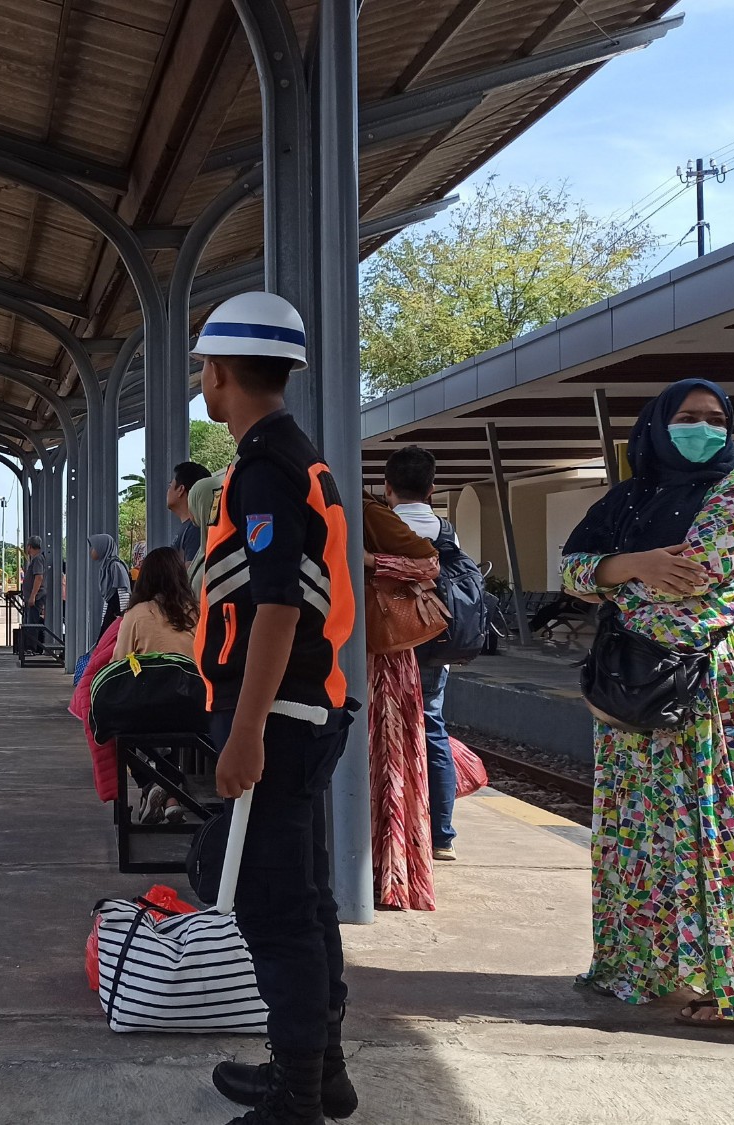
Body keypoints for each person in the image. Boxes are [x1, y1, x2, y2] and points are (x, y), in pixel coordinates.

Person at [560, 378, 734, 1029]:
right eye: (688, 416)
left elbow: (698, 582)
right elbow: (570, 567)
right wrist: (635, 565)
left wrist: (615, 575)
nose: (704, 427)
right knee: (642, 835)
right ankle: (650, 963)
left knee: (720, 827)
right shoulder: (631, 496)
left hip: (710, 692)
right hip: (632, 693)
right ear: (658, 423)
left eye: (716, 418)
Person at [194, 292, 359, 1125]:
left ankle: (296, 1095)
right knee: (306, 894)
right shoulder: (295, 455)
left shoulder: (265, 466)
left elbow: (277, 606)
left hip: (280, 717)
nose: (201, 384)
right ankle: (319, 1070)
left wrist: (246, 731)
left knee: (274, 904)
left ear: (220, 372)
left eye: (202, 370)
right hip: (306, 710)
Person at [362, 484, 439, 910]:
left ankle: (391, 876)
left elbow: (429, 563)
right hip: (354, 654)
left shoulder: (368, 512)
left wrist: (372, 562)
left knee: (388, 759)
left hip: (382, 658)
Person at [382, 445, 459, 862]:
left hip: (392, 644)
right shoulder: (446, 531)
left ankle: (398, 826)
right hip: (435, 644)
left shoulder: (382, 528)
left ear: (387, 487)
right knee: (433, 731)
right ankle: (442, 834)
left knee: (390, 737)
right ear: (431, 489)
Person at [113, 546, 199, 823]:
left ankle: (151, 786)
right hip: (197, 712)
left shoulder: (137, 615)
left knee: (118, 731)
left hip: (150, 710)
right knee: (170, 731)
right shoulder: (197, 612)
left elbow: (118, 666)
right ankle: (173, 801)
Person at [168, 461, 212, 569]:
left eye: (170, 485)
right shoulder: (189, 527)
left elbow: (189, 578)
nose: (167, 491)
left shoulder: (195, 529)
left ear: (181, 490)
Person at [89, 532, 133, 636]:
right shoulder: (106, 567)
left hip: (117, 612)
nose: (91, 551)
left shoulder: (115, 566)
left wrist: (123, 617)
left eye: (94, 547)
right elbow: (108, 597)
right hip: (112, 610)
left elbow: (123, 591)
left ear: (102, 547)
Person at [20, 538, 47, 628]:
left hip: (36, 598)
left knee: (32, 625)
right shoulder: (35, 559)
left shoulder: (37, 559)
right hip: (33, 597)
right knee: (29, 623)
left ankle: (32, 642)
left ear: (29, 546)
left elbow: (39, 577)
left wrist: (33, 596)